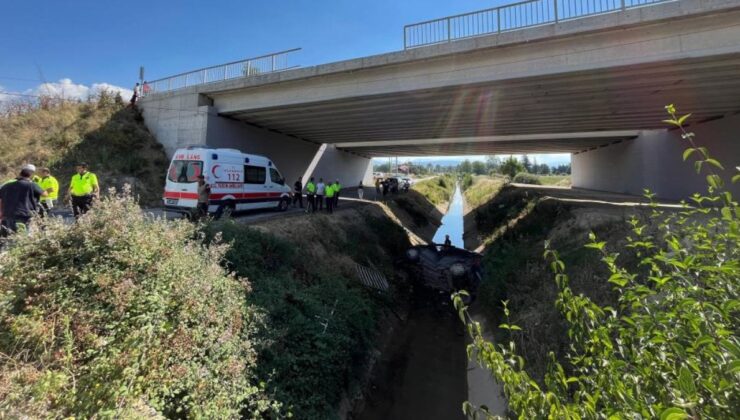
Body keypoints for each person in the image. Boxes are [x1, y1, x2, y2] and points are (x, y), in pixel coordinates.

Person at [0, 166, 47, 236]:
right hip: (23, 215)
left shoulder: (6, 186)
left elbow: (1, 199)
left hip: (7, 214)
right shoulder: (31, 185)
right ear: (30, 175)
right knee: (22, 237)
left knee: (7, 237)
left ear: (20, 174)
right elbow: (45, 194)